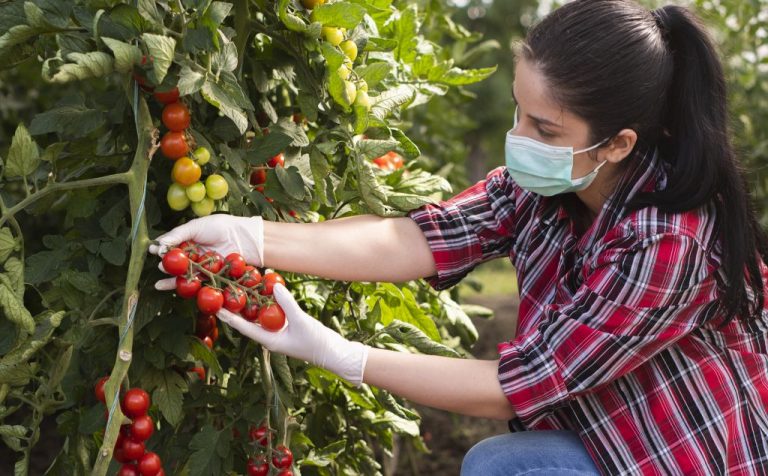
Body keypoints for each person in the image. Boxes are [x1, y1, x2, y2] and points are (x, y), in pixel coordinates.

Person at [149, 0, 768, 474]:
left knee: (498, 465)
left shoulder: (671, 242)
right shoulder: (543, 186)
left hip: (679, 450)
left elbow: (515, 387)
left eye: (545, 129)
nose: (520, 137)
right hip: (603, 424)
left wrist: (336, 353)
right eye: (519, 112)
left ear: (618, 143)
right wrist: (253, 237)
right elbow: (415, 240)